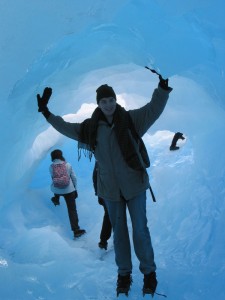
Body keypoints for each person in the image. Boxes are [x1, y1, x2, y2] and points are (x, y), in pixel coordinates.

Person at [37, 73, 172, 296]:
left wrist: (162, 89)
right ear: (98, 103)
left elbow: (152, 110)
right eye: (103, 101)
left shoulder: (130, 120)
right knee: (119, 234)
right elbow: (66, 127)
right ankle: (124, 275)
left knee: (140, 230)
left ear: (115, 101)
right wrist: (47, 114)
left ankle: (149, 274)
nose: (108, 105)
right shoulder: (90, 129)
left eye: (111, 100)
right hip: (110, 190)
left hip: (135, 186)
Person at [50, 149, 86, 239]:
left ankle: (56, 199)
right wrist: (75, 189)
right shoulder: (67, 165)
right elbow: (74, 177)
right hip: (69, 190)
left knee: (57, 187)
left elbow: (53, 178)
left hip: (57, 190)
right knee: (72, 210)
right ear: (61, 155)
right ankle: (76, 230)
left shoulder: (51, 167)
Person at [93, 161, 112, 250]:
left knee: (108, 215)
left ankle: (103, 241)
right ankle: (119, 240)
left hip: (103, 194)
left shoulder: (98, 161)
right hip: (113, 194)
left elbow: (95, 177)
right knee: (115, 216)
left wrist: (98, 193)